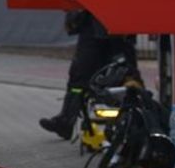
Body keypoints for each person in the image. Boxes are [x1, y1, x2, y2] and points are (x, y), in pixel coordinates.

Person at [39, 9, 142, 139]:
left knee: (127, 78)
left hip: (114, 31)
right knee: (78, 80)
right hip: (97, 30)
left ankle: (137, 122)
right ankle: (66, 120)